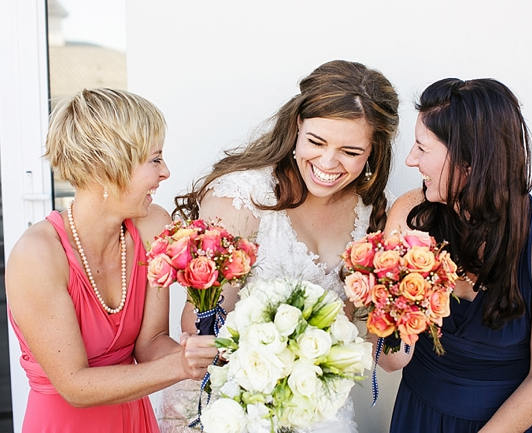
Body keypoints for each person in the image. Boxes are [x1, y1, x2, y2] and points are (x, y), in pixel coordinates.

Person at [157, 60, 399, 433]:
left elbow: (377, 347)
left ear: (373, 151)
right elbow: (197, 326)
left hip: (319, 415)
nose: (328, 163)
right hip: (228, 409)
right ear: (297, 126)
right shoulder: (241, 198)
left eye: (350, 151)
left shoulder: (372, 214)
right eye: (316, 142)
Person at [5, 88, 218, 433]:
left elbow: (150, 343)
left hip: (134, 418)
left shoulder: (152, 226)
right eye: (154, 159)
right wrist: (183, 364)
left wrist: (225, 357)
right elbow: (74, 386)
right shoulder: (38, 255)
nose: (165, 172)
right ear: (108, 166)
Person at [379, 78, 532, 432]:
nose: (411, 160)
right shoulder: (412, 214)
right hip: (420, 416)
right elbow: (394, 358)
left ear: (469, 162)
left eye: (422, 148)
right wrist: (375, 308)